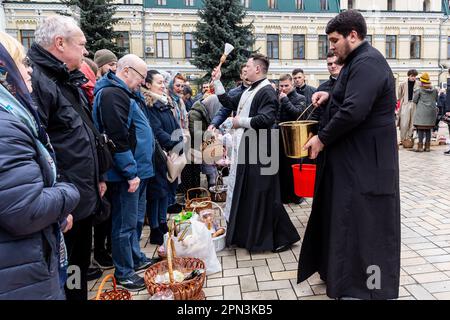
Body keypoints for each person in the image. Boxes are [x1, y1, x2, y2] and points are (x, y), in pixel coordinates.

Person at [298, 10, 401, 300]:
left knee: (365, 227)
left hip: (367, 165)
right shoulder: (358, 62)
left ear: (352, 36)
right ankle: (344, 279)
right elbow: (352, 97)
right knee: (347, 220)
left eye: (334, 40)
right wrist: (329, 96)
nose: (331, 47)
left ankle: (366, 288)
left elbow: (355, 110)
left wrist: (321, 138)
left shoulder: (368, 62)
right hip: (355, 162)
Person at [28, 15, 104, 300]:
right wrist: (58, 200)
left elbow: (82, 134)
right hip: (64, 203)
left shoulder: (65, 79)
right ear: (60, 43)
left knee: (78, 264)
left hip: (79, 195)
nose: (86, 51)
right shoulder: (37, 81)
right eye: (81, 44)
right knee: (70, 268)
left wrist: (99, 177)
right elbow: (39, 148)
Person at [0, 31, 80, 300]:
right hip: (22, 270)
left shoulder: (14, 115)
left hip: (25, 260)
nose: (28, 71)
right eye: (21, 63)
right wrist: (69, 193)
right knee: (75, 278)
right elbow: (25, 208)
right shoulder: (6, 125)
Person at [210, 53, 300, 252]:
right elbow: (230, 103)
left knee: (263, 194)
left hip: (261, 150)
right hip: (249, 148)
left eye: (248, 66)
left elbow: (266, 119)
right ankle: (248, 234)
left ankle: (281, 237)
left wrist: (238, 121)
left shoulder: (267, 91)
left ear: (257, 69)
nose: (246, 69)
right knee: (251, 193)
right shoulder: (251, 89)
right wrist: (217, 82)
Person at [93, 54, 157, 291]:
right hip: (125, 174)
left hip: (137, 170)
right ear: (127, 71)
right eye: (141, 76)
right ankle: (124, 273)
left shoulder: (126, 93)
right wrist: (130, 172)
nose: (142, 81)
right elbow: (117, 138)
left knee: (135, 220)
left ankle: (135, 257)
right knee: (124, 225)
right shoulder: (112, 94)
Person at [142, 70, 183, 245]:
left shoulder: (164, 103)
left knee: (165, 190)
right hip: (157, 154)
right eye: (159, 83)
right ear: (148, 84)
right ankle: (155, 228)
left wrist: (179, 140)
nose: (163, 86)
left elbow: (174, 126)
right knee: (156, 193)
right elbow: (156, 130)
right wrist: (173, 143)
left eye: (163, 83)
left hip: (169, 152)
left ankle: (162, 222)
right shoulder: (149, 104)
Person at [277, 73, 306, 204]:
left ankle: (296, 196)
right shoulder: (277, 97)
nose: (283, 88)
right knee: (281, 168)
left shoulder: (300, 97)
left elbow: (298, 114)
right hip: (278, 137)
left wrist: (285, 100)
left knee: (292, 168)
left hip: (293, 138)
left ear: (292, 84)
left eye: (286, 85)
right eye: (281, 86)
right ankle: (283, 196)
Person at [189, 94, 223, 189]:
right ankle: (195, 195)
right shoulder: (195, 113)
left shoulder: (205, 111)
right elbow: (195, 132)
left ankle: (210, 189)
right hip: (194, 148)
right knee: (194, 176)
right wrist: (211, 134)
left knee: (210, 170)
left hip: (203, 147)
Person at [412, 72, 438, 152]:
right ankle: (427, 147)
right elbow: (436, 99)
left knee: (420, 129)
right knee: (428, 129)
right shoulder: (435, 90)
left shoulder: (419, 90)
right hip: (431, 112)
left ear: (422, 82)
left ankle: (420, 147)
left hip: (422, 112)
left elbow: (414, 100)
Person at [397, 69, 419, 148]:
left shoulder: (418, 84)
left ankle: (409, 139)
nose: (413, 78)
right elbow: (399, 95)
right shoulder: (402, 84)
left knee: (412, 123)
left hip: (414, 104)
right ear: (409, 75)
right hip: (405, 104)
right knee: (404, 123)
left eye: (415, 76)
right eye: (412, 76)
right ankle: (403, 139)